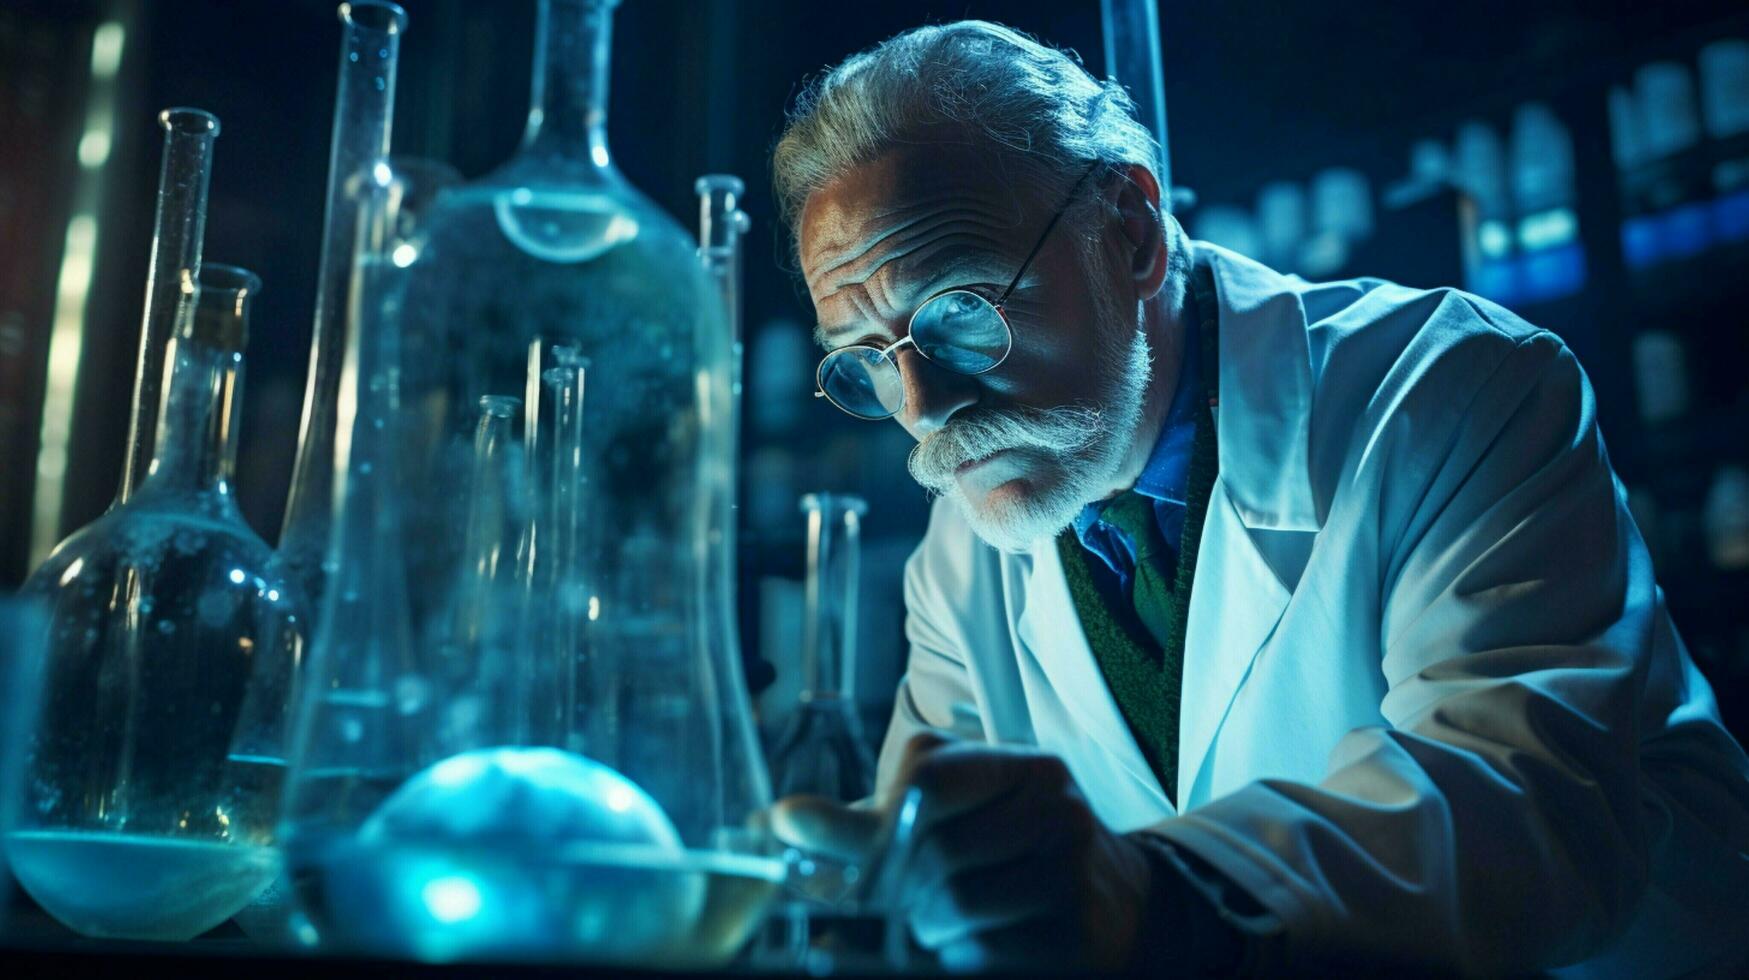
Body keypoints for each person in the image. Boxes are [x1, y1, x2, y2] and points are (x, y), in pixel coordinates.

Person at [765, 20, 1749, 976]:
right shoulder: (962, 552)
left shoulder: (1453, 392)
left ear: (1133, 232)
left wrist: (1150, 894)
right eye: (867, 363)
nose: (926, 408)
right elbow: (960, 861)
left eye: (959, 314)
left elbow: (1530, 809)